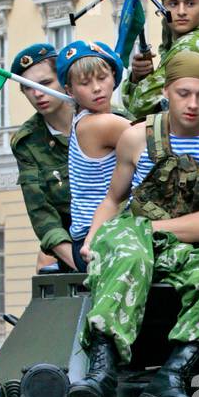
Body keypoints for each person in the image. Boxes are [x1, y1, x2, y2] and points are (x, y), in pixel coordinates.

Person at [72, 51, 199, 397]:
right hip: (132, 244)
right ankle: (102, 372)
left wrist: (147, 227)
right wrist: (93, 238)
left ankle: (173, 373)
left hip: (180, 248)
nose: (193, 103)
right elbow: (113, 199)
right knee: (129, 248)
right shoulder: (136, 138)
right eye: (184, 93)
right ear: (167, 91)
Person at [56, 40, 129, 269]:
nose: (97, 88)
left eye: (102, 77)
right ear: (69, 91)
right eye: (85, 83)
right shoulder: (97, 124)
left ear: (114, 78)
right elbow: (157, 137)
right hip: (97, 239)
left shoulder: (98, 120)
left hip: (103, 234)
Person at [9, 43, 75, 272]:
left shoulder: (107, 118)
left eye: (46, 83)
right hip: (72, 242)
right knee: (46, 269)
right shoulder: (27, 142)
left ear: (64, 80)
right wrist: (78, 261)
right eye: (28, 88)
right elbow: (42, 214)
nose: (38, 94)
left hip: (121, 233)